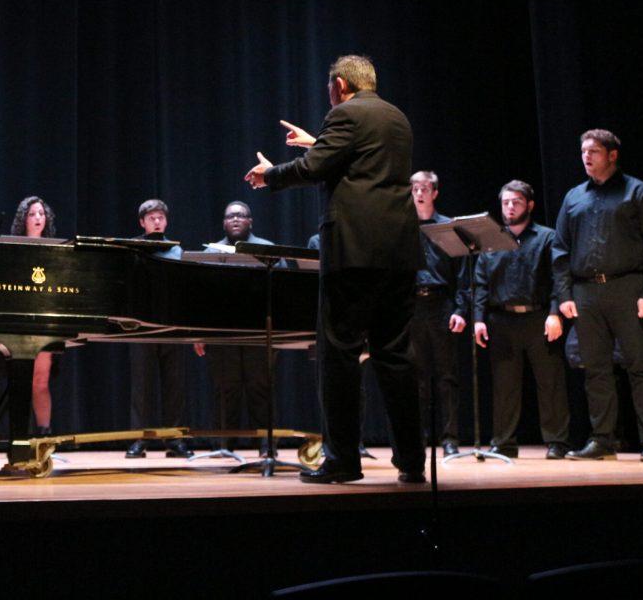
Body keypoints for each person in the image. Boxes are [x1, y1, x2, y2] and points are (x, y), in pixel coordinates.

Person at [246, 55, 425, 483]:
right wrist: (317, 140)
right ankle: (412, 461)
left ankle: (343, 460)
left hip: (354, 251)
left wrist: (270, 175)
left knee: (339, 353)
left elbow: (315, 168)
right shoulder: (396, 116)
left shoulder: (344, 113)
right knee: (395, 355)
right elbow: (358, 160)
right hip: (399, 252)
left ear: (339, 85)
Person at [552, 130, 643, 462]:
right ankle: (603, 440)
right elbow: (560, 249)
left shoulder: (638, 192)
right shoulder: (573, 197)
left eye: (594, 151)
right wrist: (565, 293)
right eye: (583, 151)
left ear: (612, 155)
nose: (586, 156)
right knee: (595, 368)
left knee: (640, 366)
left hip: (628, 288)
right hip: (585, 291)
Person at [472, 180, 570, 459]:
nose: (510, 207)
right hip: (501, 320)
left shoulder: (547, 237)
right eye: (505, 202)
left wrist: (554, 314)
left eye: (516, 202)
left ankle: (557, 441)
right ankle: (503, 443)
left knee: (550, 383)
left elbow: (557, 279)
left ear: (529, 205)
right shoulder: (490, 239)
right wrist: (478, 319)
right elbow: (480, 282)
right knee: (504, 385)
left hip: (539, 316)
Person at [198, 201, 276, 453]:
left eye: (240, 215)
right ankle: (224, 445)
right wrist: (199, 333)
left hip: (258, 332)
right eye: (230, 215)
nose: (235, 219)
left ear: (250, 221)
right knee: (225, 390)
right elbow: (201, 296)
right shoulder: (211, 252)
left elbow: (282, 290)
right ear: (223, 222)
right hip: (223, 334)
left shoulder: (267, 249)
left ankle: (265, 445)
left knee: (260, 389)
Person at [407, 171, 471, 456]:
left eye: (425, 188)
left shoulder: (448, 227)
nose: (419, 193)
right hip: (411, 307)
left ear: (435, 192)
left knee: (447, 376)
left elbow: (463, 274)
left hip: (441, 303)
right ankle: (417, 438)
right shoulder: (402, 225)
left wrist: (460, 309)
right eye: (415, 188)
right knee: (415, 377)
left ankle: (450, 438)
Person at [126, 199, 193, 458]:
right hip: (142, 326)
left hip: (171, 326)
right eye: (151, 217)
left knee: (174, 386)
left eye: (160, 217)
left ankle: (174, 440)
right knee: (141, 386)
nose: (156, 221)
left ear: (166, 221)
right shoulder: (133, 248)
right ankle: (138, 440)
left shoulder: (177, 250)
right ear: (142, 222)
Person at [10, 196, 61, 436]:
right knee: (20, 380)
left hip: (44, 320)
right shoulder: (14, 248)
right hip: (18, 320)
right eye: (32, 214)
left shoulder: (55, 248)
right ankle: (19, 436)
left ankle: (44, 435)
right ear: (23, 219)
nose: (38, 218)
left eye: (41, 213)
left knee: (40, 381)